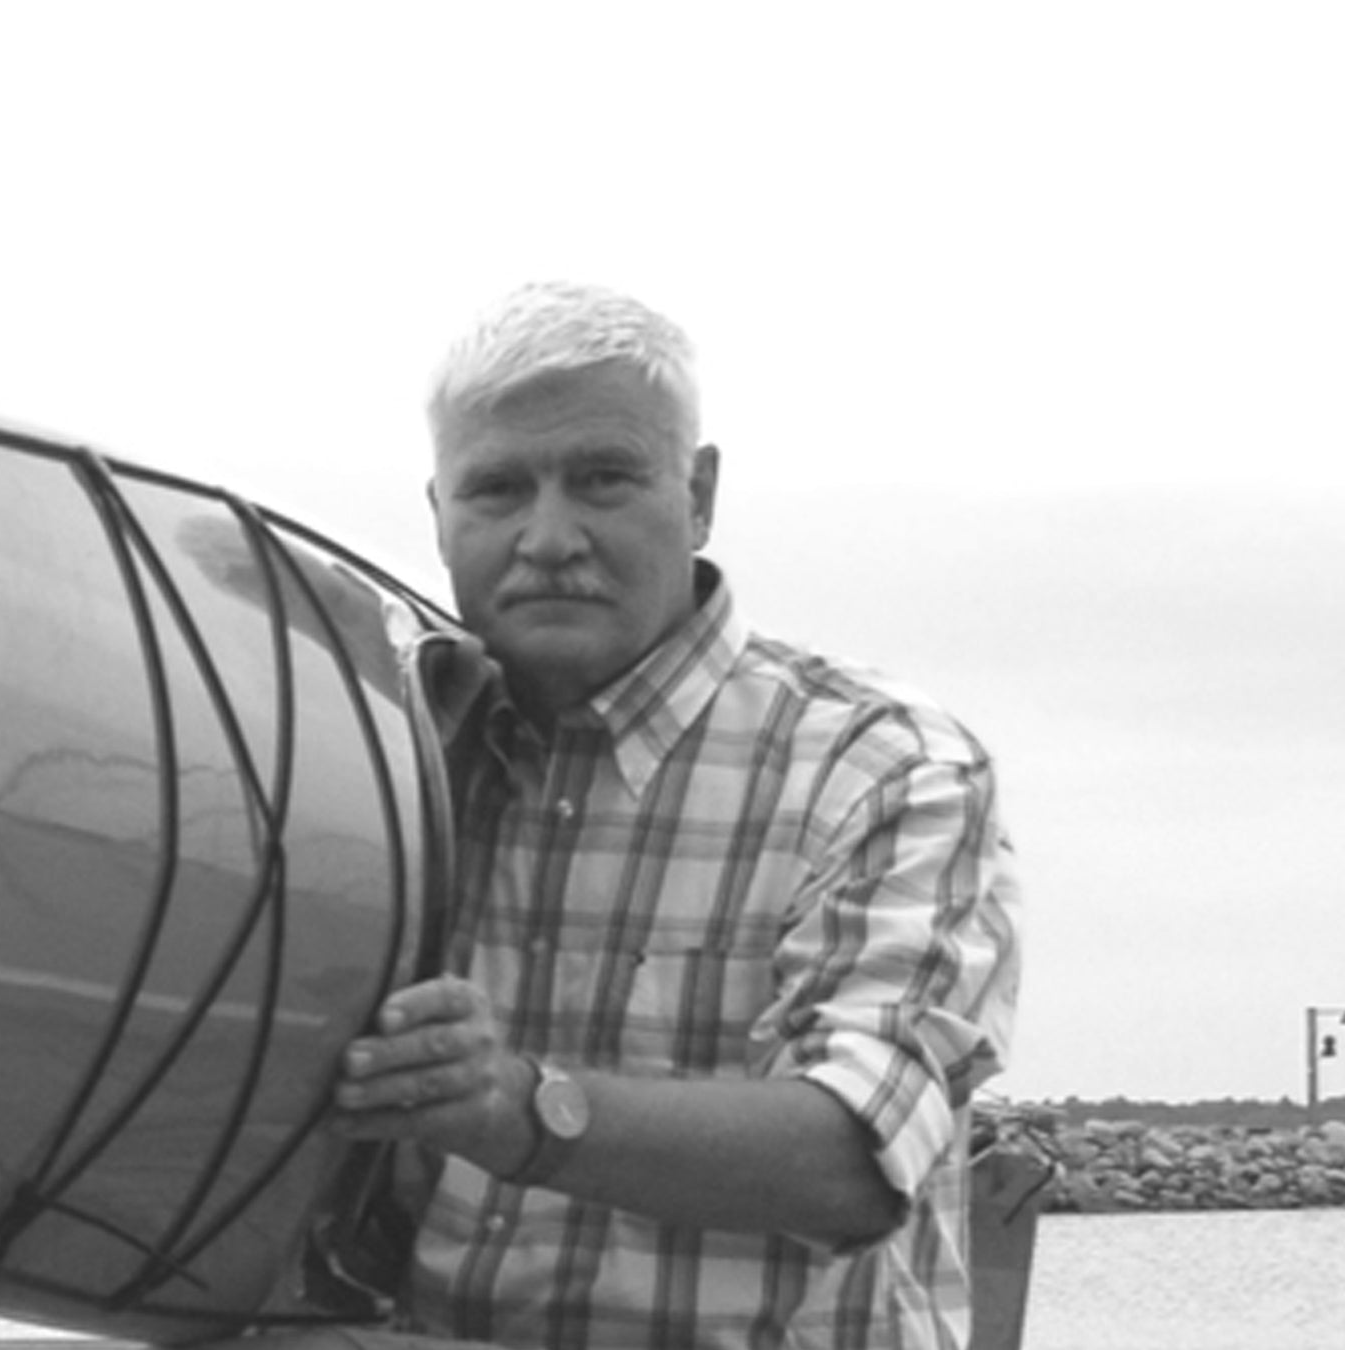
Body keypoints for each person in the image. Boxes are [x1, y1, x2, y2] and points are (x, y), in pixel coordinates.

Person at [312, 282, 1021, 1350]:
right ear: (438, 515)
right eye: (496, 489)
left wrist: (514, 1108)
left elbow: (854, 1155)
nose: (549, 538)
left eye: (603, 479)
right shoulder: (380, 758)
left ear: (698, 496)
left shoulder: (885, 768)